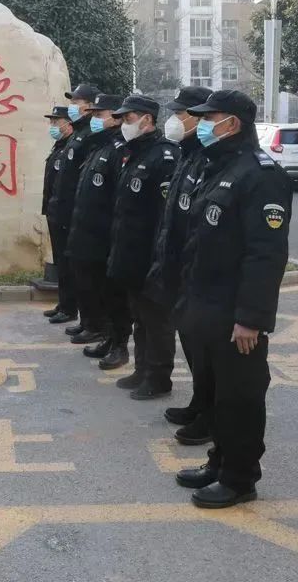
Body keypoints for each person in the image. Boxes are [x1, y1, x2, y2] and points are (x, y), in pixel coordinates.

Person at [171, 89, 292, 508]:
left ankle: (240, 478)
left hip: (235, 312)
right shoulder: (219, 166)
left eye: (210, 118)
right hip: (206, 304)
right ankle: (219, 461)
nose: (203, 125)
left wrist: (251, 318)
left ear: (232, 124)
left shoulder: (261, 175)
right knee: (217, 393)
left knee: (240, 396)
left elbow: (266, 254)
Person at [144, 86, 214, 446]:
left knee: (206, 351)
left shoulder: (209, 160)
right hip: (180, 271)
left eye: (181, 114)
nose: (174, 120)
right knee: (191, 344)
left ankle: (210, 416)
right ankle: (199, 403)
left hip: (200, 275)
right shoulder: (188, 155)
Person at [107, 94, 178, 400]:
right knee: (140, 316)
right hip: (131, 253)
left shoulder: (164, 157)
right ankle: (142, 369)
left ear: (147, 119)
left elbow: (164, 215)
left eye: (129, 118)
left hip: (151, 255)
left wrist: (158, 258)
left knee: (157, 319)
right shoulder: (134, 152)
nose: (124, 124)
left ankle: (158, 377)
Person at [64, 94, 129, 357]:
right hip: (86, 231)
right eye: (93, 114)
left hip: (103, 235)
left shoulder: (118, 149)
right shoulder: (98, 146)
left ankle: (116, 342)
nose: (94, 119)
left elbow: (118, 198)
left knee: (110, 294)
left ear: (115, 118)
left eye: (100, 115)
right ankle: (101, 333)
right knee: (92, 286)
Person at [44, 83, 101, 326]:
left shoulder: (88, 136)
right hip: (59, 210)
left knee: (76, 267)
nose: (72, 107)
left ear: (90, 106)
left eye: (76, 102)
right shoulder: (75, 136)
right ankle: (66, 305)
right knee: (64, 263)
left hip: (73, 213)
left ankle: (78, 312)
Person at [41, 105, 73, 320]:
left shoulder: (71, 148)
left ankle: (69, 308)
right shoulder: (59, 147)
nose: (52, 125)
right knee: (60, 262)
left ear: (68, 124)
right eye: (51, 121)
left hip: (64, 214)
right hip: (54, 211)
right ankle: (63, 304)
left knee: (68, 264)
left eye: (56, 121)